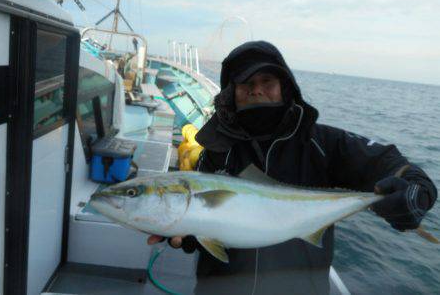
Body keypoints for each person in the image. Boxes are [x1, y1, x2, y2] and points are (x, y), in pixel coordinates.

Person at [148, 41, 437, 294]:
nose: (257, 90)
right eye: (246, 83)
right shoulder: (216, 151)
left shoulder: (321, 142)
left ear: (284, 88)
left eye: (267, 82)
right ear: (231, 92)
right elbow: (211, 224)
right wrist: (189, 234)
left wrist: (415, 190)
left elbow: (391, 164)